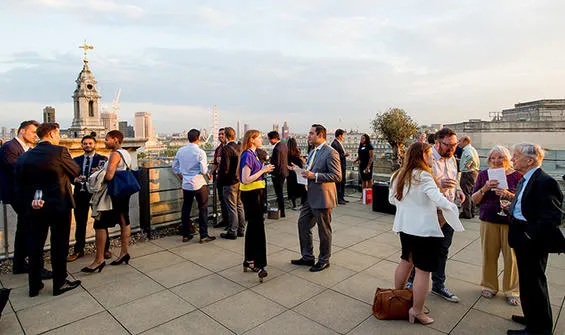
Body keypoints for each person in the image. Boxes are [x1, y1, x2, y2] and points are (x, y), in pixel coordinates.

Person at [389, 142, 462, 325]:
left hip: (406, 228)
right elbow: (438, 199)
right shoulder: (425, 176)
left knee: (406, 261)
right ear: (422, 156)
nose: (432, 157)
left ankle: (398, 298)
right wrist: (453, 208)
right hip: (424, 231)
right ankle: (417, 311)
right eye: (430, 154)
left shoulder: (399, 174)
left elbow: (392, 199)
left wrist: (409, 207)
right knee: (423, 271)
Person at [503, 143, 565, 335]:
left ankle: (539, 328)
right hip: (521, 234)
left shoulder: (544, 181)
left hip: (532, 240)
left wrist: (529, 235)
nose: (512, 159)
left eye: (516, 156)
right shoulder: (527, 178)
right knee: (527, 281)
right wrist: (511, 209)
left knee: (535, 283)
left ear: (530, 160)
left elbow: (554, 216)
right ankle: (531, 317)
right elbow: (527, 204)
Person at [15, 122, 81, 296]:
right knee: (59, 245)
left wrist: (31, 200)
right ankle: (59, 283)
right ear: (52, 134)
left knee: (35, 246)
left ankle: (34, 286)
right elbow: (75, 170)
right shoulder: (59, 152)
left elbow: (19, 183)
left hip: (35, 206)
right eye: (58, 133)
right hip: (59, 205)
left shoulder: (25, 155)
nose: (59, 137)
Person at [407, 127, 466, 303]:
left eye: (454, 145)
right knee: (422, 250)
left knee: (443, 250)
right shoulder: (425, 158)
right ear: (437, 143)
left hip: (448, 210)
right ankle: (412, 282)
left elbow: (455, 179)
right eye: (448, 145)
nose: (452, 148)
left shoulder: (452, 159)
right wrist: (438, 183)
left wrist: (458, 190)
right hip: (429, 212)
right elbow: (414, 182)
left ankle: (439, 285)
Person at [0, 120, 52, 277]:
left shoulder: (25, 148)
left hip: (23, 194)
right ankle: (36, 267)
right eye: (32, 132)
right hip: (19, 195)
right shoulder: (10, 147)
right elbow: (17, 170)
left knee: (23, 229)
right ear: (22, 131)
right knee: (32, 229)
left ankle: (20, 264)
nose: (35, 136)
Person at [471, 145, 520, 306]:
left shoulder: (517, 176)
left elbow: (523, 200)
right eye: (493, 158)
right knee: (489, 255)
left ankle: (512, 290)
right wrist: (485, 188)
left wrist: (507, 194)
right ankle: (489, 285)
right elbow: (474, 199)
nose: (497, 161)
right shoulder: (484, 175)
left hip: (510, 222)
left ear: (508, 159)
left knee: (511, 258)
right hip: (489, 219)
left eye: (500, 157)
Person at [82, 130, 135, 273]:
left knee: (100, 223)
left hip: (112, 194)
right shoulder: (125, 153)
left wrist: (98, 174)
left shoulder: (115, 154)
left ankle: (98, 260)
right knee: (124, 221)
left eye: (107, 139)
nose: (105, 142)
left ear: (115, 139)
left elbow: (110, 176)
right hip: (123, 193)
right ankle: (124, 253)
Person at [290, 124, 341, 272]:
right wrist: (299, 170)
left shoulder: (331, 152)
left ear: (320, 135)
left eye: (311, 133)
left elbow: (337, 176)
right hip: (310, 196)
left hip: (323, 197)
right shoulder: (313, 151)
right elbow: (310, 171)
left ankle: (324, 260)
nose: (309, 136)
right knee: (303, 224)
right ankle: (307, 257)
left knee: (324, 230)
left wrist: (315, 176)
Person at [67, 135, 111, 262]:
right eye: (85, 143)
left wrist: (98, 173)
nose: (88, 145)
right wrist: (75, 179)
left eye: (90, 143)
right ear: (82, 145)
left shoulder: (102, 159)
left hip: (96, 194)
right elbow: (69, 176)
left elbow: (107, 176)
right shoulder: (76, 160)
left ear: (95, 145)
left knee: (101, 221)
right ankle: (78, 250)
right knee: (80, 222)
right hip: (80, 194)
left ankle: (105, 249)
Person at [239, 130, 274, 281]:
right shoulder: (248, 155)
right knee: (258, 230)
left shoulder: (252, 154)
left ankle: (249, 260)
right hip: (252, 196)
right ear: (252, 140)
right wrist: (263, 170)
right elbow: (245, 179)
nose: (261, 139)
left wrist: (262, 169)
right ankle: (259, 263)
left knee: (253, 228)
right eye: (259, 137)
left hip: (254, 195)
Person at [172, 129, 216, 244]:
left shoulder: (180, 151)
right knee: (203, 209)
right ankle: (203, 235)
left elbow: (175, 167)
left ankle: (185, 235)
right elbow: (203, 170)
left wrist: (182, 176)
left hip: (186, 184)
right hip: (199, 183)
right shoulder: (200, 152)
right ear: (198, 138)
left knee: (186, 209)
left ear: (188, 138)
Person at [219, 127, 245, 240]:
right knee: (239, 205)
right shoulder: (239, 147)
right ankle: (241, 229)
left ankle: (232, 231)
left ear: (226, 135)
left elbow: (225, 168)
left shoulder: (226, 149)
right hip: (239, 180)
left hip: (229, 181)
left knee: (231, 207)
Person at [210, 128, 229, 228]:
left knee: (229, 201)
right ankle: (225, 220)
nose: (220, 136)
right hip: (220, 178)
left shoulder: (231, 147)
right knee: (222, 200)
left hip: (229, 179)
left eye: (222, 134)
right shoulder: (218, 149)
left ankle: (231, 222)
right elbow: (215, 163)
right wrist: (211, 172)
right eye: (219, 134)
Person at [458, 136, 480, 219]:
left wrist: (465, 166)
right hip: (474, 172)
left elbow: (470, 157)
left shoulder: (467, 150)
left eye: (460, 141)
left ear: (465, 141)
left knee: (466, 193)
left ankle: (466, 213)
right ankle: (471, 212)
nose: (458, 143)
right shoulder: (472, 149)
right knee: (470, 193)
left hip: (467, 172)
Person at [268, 131, 289, 218]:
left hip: (278, 174)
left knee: (279, 193)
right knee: (280, 193)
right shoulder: (284, 145)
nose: (269, 141)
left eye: (270, 139)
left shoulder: (276, 148)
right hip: (284, 172)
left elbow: (276, 163)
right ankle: (282, 211)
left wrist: (271, 172)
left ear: (274, 138)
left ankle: (281, 211)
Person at [286, 137, 307, 210]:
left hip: (290, 172)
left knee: (291, 189)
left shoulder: (287, 152)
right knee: (302, 188)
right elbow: (299, 161)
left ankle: (294, 205)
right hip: (297, 171)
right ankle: (302, 203)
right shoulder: (297, 151)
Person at [331, 129, 350, 205]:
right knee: (339, 183)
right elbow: (335, 156)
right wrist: (344, 155)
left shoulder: (338, 143)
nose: (343, 137)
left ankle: (342, 197)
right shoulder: (334, 144)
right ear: (339, 135)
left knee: (342, 183)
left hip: (342, 166)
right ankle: (339, 198)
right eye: (343, 135)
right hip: (339, 167)